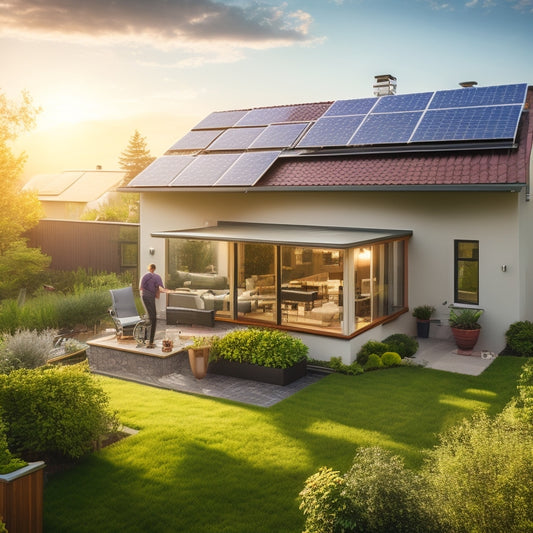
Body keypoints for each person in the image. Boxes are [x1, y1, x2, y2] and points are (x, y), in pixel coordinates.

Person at [139, 264, 172, 348]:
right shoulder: (156, 277)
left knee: (152, 317)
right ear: (154, 269)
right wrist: (170, 291)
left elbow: (141, 288)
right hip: (149, 297)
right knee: (153, 318)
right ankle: (149, 341)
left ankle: (149, 340)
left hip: (145, 296)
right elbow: (161, 288)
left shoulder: (146, 276)